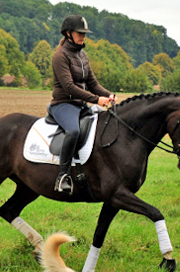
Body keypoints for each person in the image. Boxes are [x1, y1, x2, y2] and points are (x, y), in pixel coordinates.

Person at [50, 14, 116, 194]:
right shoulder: (60, 56)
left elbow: (93, 84)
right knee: (74, 131)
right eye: (80, 33)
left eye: (85, 33)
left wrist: (108, 95)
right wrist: (96, 100)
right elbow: (69, 87)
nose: (83, 36)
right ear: (69, 33)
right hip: (63, 104)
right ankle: (62, 176)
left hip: (80, 106)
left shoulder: (83, 55)